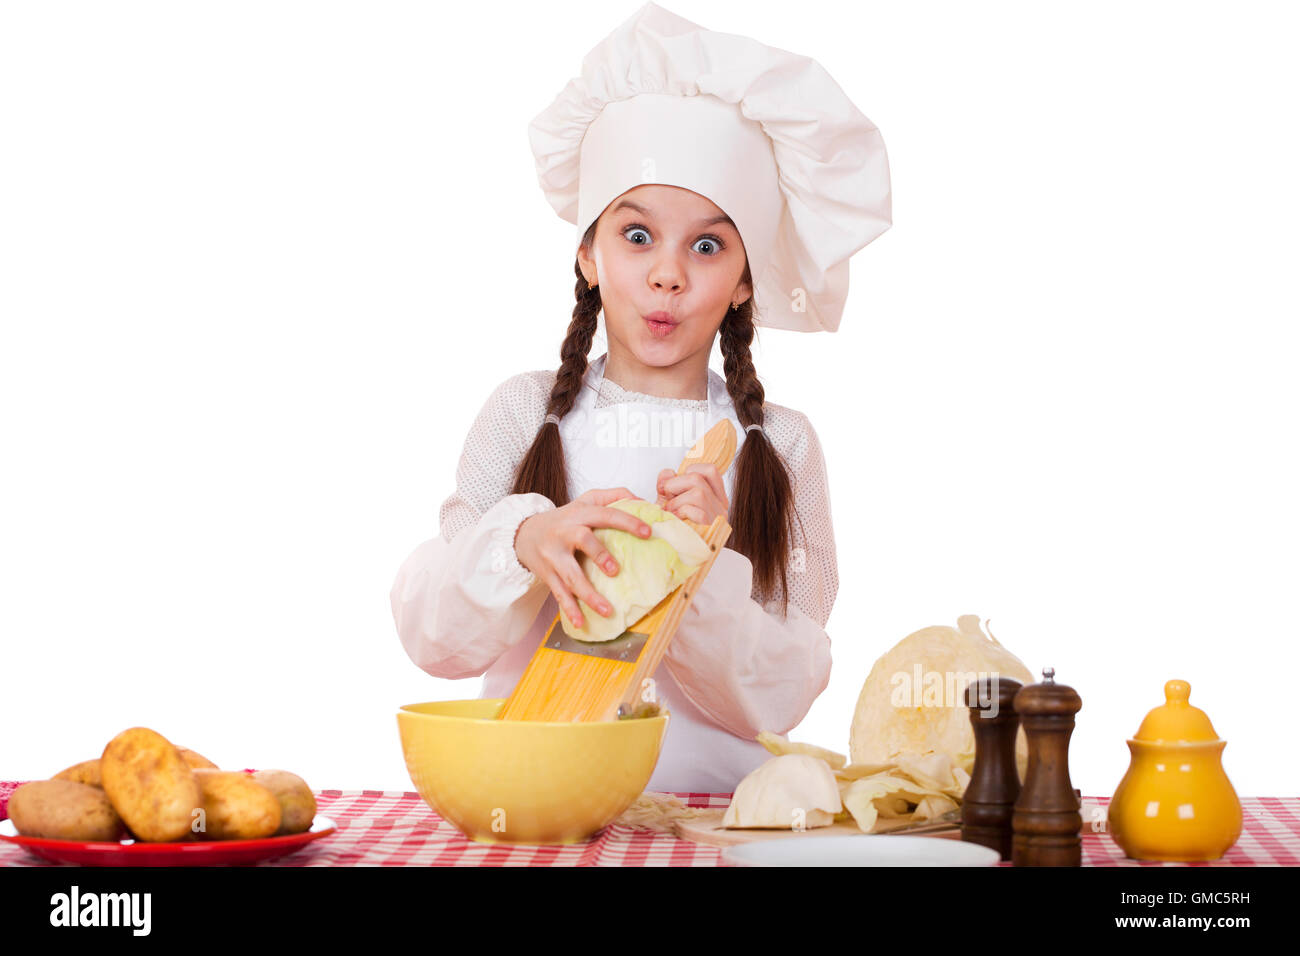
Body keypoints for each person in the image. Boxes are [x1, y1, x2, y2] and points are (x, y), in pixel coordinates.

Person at [389, 1, 891, 793]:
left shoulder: (780, 446)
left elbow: (786, 693)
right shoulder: (524, 416)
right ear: (587, 254)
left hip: (719, 819)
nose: (667, 274)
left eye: (707, 244)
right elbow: (432, 637)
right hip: (538, 810)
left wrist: (702, 571)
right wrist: (523, 542)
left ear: (744, 281)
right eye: (635, 235)